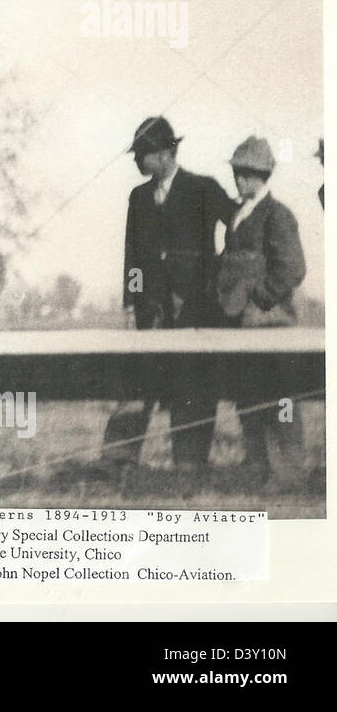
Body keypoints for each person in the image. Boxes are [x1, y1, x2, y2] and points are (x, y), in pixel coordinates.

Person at [105, 115, 236, 476]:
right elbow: (132, 254)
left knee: (193, 382)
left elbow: (238, 225)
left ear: (164, 153)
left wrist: (218, 271)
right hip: (151, 310)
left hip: (196, 309)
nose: (136, 161)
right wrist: (131, 303)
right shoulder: (138, 197)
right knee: (137, 380)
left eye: (142, 154)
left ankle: (190, 464)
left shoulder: (203, 188)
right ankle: (117, 461)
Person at [214, 137, 307, 490]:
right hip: (242, 327)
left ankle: (288, 473)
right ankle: (257, 468)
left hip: (272, 326)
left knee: (281, 400)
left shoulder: (278, 215)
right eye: (237, 172)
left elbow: (293, 269)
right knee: (249, 398)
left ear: (264, 174)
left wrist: (260, 300)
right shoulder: (239, 215)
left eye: (247, 173)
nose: (239, 179)